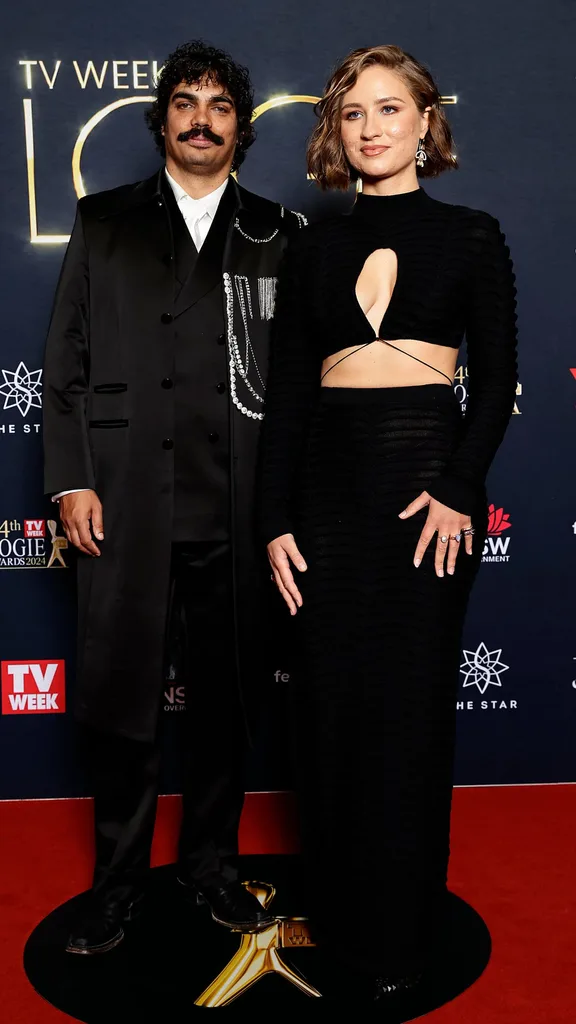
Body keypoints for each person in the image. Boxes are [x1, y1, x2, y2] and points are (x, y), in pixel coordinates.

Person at [259, 44, 517, 1001]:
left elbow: (493, 383)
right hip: (328, 504)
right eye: (354, 113)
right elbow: (288, 398)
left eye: (389, 108)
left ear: (424, 123)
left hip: (425, 511)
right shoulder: (311, 247)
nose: (371, 127)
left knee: (406, 722)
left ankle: (397, 937)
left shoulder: (473, 237)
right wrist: (275, 520)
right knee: (329, 719)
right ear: (338, 131)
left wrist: (457, 486)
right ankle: (338, 916)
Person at [42, 39, 306, 955]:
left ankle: (210, 869)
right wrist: (71, 476)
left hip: (237, 507)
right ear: (161, 121)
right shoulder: (104, 219)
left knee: (228, 705)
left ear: (240, 126)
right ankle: (116, 886)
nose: (202, 117)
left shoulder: (279, 231)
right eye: (186, 102)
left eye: (221, 104)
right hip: (123, 502)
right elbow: (65, 364)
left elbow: (304, 382)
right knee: (120, 704)